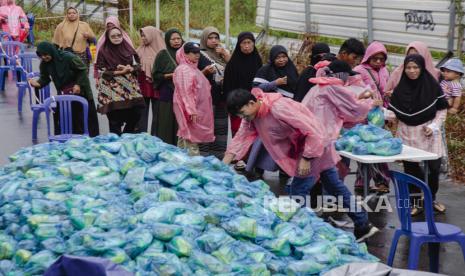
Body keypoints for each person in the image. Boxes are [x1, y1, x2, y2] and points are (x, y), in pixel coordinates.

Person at [223, 88, 379, 242]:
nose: (243, 117)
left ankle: (304, 236)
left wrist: (306, 157)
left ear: (251, 102)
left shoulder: (278, 107)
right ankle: (363, 224)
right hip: (306, 151)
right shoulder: (253, 116)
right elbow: (240, 138)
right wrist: (222, 166)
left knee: (298, 192)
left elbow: (312, 130)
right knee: (333, 185)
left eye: (243, 113)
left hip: (313, 149)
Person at [386, 54, 449, 215]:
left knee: (433, 169)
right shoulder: (400, 89)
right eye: (408, 68)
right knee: (411, 169)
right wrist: (379, 111)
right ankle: (415, 202)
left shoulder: (432, 86)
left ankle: (431, 199)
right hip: (408, 133)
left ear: (422, 68)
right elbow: (394, 114)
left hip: (428, 132)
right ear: (404, 69)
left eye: (416, 67)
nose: (412, 71)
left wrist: (434, 125)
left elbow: (442, 109)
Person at [28, 41, 99, 137]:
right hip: (64, 93)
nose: (44, 57)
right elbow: (45, 78)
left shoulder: (68, 57)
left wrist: (78, 84)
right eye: (41, 55)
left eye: (45, 54)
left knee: (84, 118)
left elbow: (82, 70)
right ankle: (70, 141)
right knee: (68, 118)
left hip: (81, 91)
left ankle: (90, 140)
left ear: (51, 51)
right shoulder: (44, 64)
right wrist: (37, 83)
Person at [353, 41, 391, 193]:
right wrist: (369, 101)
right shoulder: (359, 71)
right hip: (364, 116)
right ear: (368, 56)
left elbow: (386, 91)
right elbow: (354, 93)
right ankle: (362, 181)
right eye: (375, 58)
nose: (378, 62)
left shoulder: (384, 71)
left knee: (380, 149)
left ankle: (382, 181)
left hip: (379, 116)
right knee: (365, 149)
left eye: (381, 59)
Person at [223, 31, 263, 170]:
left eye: (249, 43)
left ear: (253, 43)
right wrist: (232, 105)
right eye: (243, 43)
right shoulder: (233, 63)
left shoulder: (258, 61)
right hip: (238, 104)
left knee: (255, 132)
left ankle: (253, 159)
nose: (246, 46)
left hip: (254, 104)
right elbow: (227, 86)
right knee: (238, 130)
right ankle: (240, 158)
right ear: (239, 45)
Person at [95, 26, 145, 135]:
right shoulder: (103, 51)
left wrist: (130, 68)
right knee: (114, 119)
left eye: (119, 35)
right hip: (111, 89)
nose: (117, 38)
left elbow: (138, 66)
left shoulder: (128, 48)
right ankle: (116, 143)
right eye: (113, 36)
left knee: (136, 112)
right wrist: (120, 72)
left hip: (129, 88)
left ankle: (125, 137)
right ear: (108, 38)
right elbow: (101, 71)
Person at [173, 42, 215, 156]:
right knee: (190, 138)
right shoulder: (184, 69)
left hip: (193, 109)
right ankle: (193, 166)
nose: (197, 55)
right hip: (189, 110)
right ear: (185, 54)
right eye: (194, 53)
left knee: (184, 135)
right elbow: (186, 92)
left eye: (198, 52)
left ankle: (180, 162)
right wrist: (191, 110)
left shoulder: (192, 68)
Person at [197, 26, 230, 159]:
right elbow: (192, 75)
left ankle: (218, 157)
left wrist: (226, 56)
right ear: (204, 39)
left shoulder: (222, 54)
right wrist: (204, 72)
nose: (214, 41)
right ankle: (203, 157)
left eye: (216, 38)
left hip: (221, 98)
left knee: (220, 128)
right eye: (210, 38)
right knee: (206, 127)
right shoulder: (199, 54)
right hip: (206, 98)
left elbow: (234, 70)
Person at [152, 28, 183, 146]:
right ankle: (166, 148)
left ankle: (179, 149)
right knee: (166, 123)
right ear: (167, 40)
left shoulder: (186, 53)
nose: (176, 41)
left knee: (180, 124)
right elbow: (156, 75)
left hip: (183, 95)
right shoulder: (162, 55)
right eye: (173, 39)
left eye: (178, 38)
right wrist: (169, 76)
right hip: (167, 94)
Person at [135, 26, 165, 135]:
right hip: (142, 86)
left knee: (157, 114)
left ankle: (155, 137)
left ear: (152, 35)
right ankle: (142, 137)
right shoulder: (139, 49)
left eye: (145, 35)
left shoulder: (162, 51)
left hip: (157, 86)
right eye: (142, 35)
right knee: (142, 114)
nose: (143, 38)